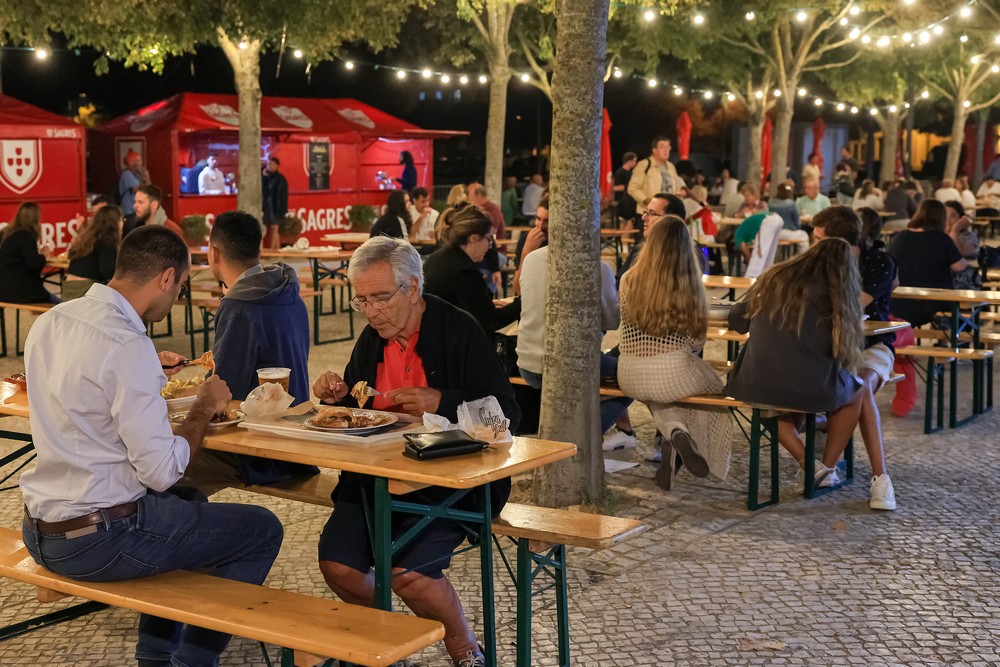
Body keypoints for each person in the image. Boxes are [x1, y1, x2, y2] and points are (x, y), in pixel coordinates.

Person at [20, 225, 283, 667]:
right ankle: (193, 661)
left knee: (191, 502)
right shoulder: (127, 343)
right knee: (261, 529)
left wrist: (148, 378)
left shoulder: (50, 322)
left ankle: (156, 656)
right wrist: (203, 406)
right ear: (166, 277)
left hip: (40, 528)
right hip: (100, 539)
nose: (175, 299)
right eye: (180, 289)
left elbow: (89, 410)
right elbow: (162, 470)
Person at [312, 236, 520, 667]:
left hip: (449, 479)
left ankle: (462, 646)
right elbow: (361, 405)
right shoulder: (373, 338)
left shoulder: (458, 329)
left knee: (408, 572)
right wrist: (337, 399)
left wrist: (441, 401)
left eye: (380, 298)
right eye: (362, 300)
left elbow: (506, 415)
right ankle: (391, 638)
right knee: (339, 566)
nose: (371, 312)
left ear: (412, 289)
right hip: (375, 476)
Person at [180, 210, 318, 495]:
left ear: (213, 252)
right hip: (299, 433)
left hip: (261, 449)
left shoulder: (239, 306)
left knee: (165, 470)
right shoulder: (288, 292)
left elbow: (223, 388)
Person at [727, 238, 865, 487]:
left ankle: (810, 465)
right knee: (857, 391)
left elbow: (737, 320)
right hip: (808, 386)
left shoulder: (772, 277)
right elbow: (843, 351)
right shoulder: (838, 296)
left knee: (771, 398)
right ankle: (826, 467)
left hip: (752, 382)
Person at [617, 216, 733, 487]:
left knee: (659, 393)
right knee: (714, 391)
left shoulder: (627, 279)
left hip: (630, 371)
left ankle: (675, 432)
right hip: (671, 370)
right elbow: (697, 344)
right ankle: (685, 440)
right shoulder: (690, 286)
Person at [516, 213, 635, 451]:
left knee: (607, 368)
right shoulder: (598, 268)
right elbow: (613, 321)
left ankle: (614, 431)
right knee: (635, 378)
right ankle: (581, 437)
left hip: (527, 364)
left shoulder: (531, 260)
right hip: (572, 367)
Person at [811, 207, 898, 510]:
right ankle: (827, 469)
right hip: (830, 347)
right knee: (854, 389)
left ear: (840, 242)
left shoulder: (879, 263)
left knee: (859, 385)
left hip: (873, 345)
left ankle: (876, 478)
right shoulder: (819, 261)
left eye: (819, 238)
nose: (813, 244)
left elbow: (851, 304)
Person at [888, 200, 966, 417]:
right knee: (956, 303)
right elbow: (959, 266)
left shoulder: (901, 236)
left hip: (899, 305)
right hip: (932, 306)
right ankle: (950, 339)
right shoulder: (941, 239)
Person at [423, 206, 521, 333]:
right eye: (489, 239)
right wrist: (521, 303)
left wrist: (484, 303)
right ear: (474, 238)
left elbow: (458, 302)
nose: (490, 246)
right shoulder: (463, 271)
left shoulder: (441, 256)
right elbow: (491, 320)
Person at [62, 204, 123, 301]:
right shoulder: (107, 240)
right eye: (121, 220)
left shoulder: (87, 238)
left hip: (67, 289)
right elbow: (106, 271)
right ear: (116, 222)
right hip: (84, 291)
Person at [0, 202, 56, 304]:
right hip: (19, 291)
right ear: (35, 219)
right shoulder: (25, 235)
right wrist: (43, 255)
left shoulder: (6, 233)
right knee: (60, 304)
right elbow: (34, 264)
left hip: (3, 289)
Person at [627, 136, 683, 231]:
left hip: (667, 215)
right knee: (648, 243)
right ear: (654, 150)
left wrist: (678, 194)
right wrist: (648, 201)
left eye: (668, 147)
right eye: (662, 147)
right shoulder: (645, 164)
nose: (666, 150)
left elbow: (677, 185)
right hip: (648, 214)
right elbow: (632, 188)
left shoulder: (671, 166)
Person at [512, 197, 549, 294]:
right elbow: (518, 289)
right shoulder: (526, 239)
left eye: (547, 221)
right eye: (538, 219)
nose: (540, 226)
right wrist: (527, 250)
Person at [944, 200, 981, 290]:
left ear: (961, 218)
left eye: (952, 216)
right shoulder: (936, 235)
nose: (948, 219)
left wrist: (954, 231)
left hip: (964, 282)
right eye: (944, 215)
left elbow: (958, 253)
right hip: (941, 280)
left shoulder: (969, 236)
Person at [769, 182, 810, 254]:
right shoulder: (790, 203)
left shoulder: (771, 203)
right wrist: (797, 227)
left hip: (773, 232)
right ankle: (803, 258)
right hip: (787, 231)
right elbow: (796, 221)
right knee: (804, 235)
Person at [119, 151, 149, 235]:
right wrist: (145, 179)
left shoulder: (137, 174)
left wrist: (146, 177)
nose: (140, 163)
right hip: (129, 213)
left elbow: (149, 189)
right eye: (138, 161)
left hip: (137, 212)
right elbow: (136, 189)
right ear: (132, 163)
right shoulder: (126, 174)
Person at [262, 157, 289, 250]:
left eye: (272, 164)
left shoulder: (281, 179)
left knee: (274, 228)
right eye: (269, 164)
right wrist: (264, 176)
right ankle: (277, 250)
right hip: (268, 206)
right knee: (273, 229)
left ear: (277, 165)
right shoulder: (268, 178)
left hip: (276, 208)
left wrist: (282, 210)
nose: (270, 166)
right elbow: (264, 190)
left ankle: (272, 250)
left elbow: (282, 196)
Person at [613, 152, 638, 226]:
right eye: (634, 161)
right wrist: (629, 187)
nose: (635, 163)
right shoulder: (620, 172)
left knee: (632, 220)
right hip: (622, 201)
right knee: (625, 220)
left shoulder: (630, 173)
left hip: (629, 201)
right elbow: (615, 187)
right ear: (629, 161)